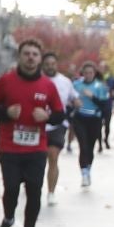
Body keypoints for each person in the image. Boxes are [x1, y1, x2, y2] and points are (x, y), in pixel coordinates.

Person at [0, 39, 64, 227]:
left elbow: (59, 115)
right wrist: (6, 113)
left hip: (36, 149)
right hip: (10, 146)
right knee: (10, 188)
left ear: (39, 59)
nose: (30, 57)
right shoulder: (6, 81)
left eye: (35, 54)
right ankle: (9, 219)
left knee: (34, 192)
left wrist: (46, 116)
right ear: (20, 57)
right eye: (27, 53)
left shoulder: (48, 85)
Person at [41, 52, 78, 202]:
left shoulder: (65, 82)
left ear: (57, 65)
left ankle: (51, 192)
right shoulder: (37, 80)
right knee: (37, 159)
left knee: (53, 156)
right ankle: (31, 183)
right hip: (38, 126)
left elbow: (73, 97)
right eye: (47, 64)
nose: (50, 67)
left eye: (53, 64)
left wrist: (76, 102)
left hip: (58, 124)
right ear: (43, 65)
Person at [71, 61, 111, 187]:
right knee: (83, 146)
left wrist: (92, 96)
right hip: (79, 118)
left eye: (91, 73)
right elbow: (69, 99)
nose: (88, 75)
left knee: (90, 147)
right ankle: (83, 174)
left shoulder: (100, 86)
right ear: (82, 73)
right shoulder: (76, 84)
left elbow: (105, 106)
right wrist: (74, 103)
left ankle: (88, 169)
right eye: (86, 73)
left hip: (94, 119)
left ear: (94, 73)